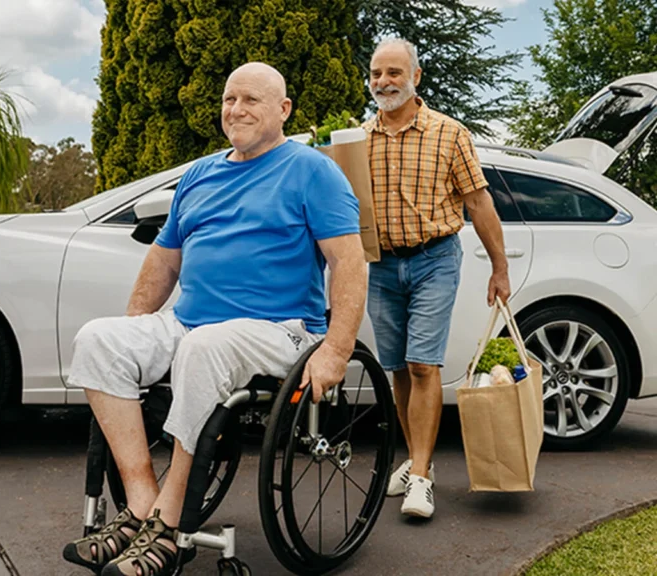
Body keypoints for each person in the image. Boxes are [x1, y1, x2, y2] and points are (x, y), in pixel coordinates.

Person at [61, 62, 367, 576]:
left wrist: (336, 349)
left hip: (279, 330)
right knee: (98, 338)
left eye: (251, 99)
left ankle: (171, 523)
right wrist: (136, 331)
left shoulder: (313, 171)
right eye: (229, 99)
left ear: (283, 110)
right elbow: (164, 259)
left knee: (208, 347)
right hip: (192, 324)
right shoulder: (200, 174)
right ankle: (142, 504)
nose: (236, 109)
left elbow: (348, 262)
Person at [363, 38, 511, 519]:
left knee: (423, 364)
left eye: (393, 72)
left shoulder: (449, 134)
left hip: (435, 260)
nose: (384, 81)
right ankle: (414, 458)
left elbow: (479, 203)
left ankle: (422, 477)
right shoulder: (358, 139)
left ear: (415, 76)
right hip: (381, 265)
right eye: (376, 73)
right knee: (399, 369)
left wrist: (500, 268)